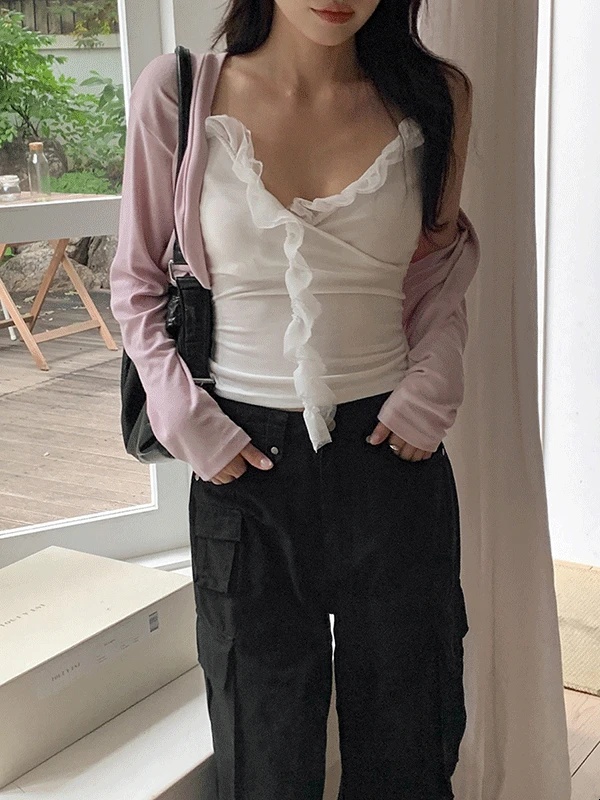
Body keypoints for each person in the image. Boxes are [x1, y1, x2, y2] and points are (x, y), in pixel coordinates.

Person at [110, 1, 480, 798]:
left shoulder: (436, 97)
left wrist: (433, 387)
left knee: (411, 745)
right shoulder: (178, 93)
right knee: (263, 754)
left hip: (391, 453)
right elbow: (137, 281)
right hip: (242, 463)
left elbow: (439, 273)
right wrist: (185, 418)